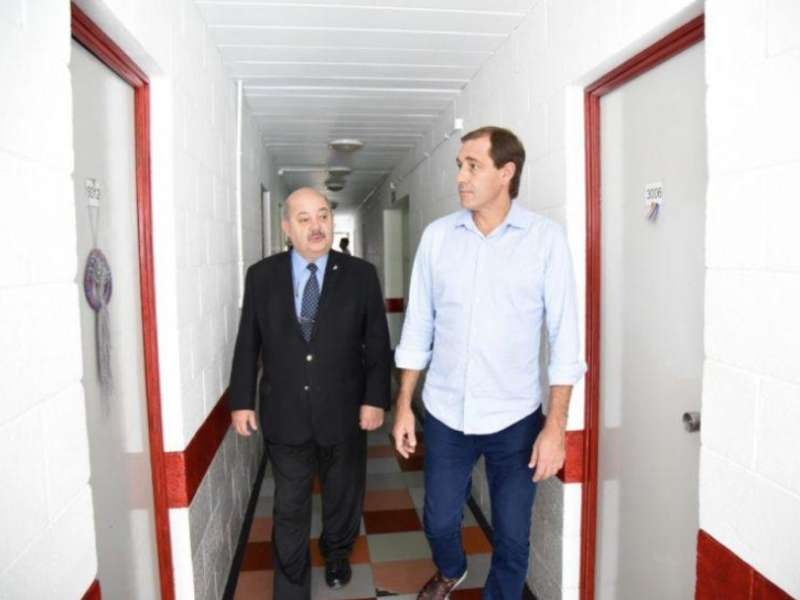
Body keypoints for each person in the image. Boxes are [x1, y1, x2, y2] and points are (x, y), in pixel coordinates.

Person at [392, 127, 585, 599]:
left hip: (515, 419)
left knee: (513, 537)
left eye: (472, 166)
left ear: (506, 172)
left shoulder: (545, 240)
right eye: (460, 165)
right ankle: (451, 568)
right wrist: (404, 405)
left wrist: (556, 427)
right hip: (445, 414)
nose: (461, 176)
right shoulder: (438, 238)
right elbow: (418, 327)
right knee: (439, 519)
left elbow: (565, 340)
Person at [229, 187, 391, 599]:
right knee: (289, 506)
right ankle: (291, 587)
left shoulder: (360, 275)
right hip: (285, 413)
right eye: (304, 219)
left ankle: (337, 553)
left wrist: (375, 399)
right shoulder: (262, 276)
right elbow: (248, 342)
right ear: (287, 227)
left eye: (323, 215)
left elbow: (376, 343)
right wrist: (241, 401)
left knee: (342, 495)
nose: (317, 226)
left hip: (345, 411)